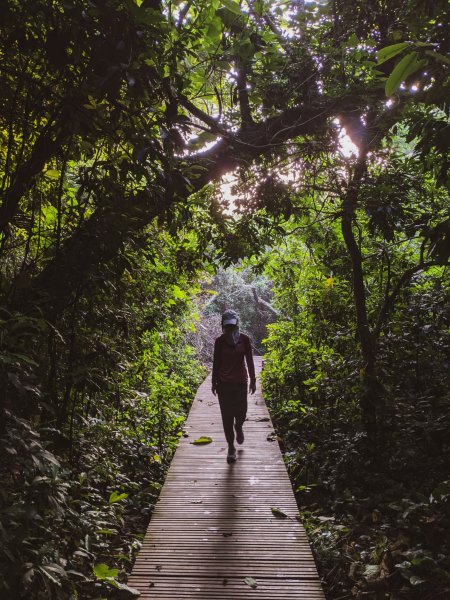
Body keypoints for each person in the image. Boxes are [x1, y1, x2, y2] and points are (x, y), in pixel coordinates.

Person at [212, 310, 256, 463]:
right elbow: (216, 362)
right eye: (227, 327)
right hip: (224, 384)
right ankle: (231, 447)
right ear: (223, 326)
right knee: (227, 417)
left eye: (232, 326)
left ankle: (239, 426)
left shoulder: (244, 339)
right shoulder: (219, 341)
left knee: (242, 412)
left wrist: (253, 380)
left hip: (241, 382)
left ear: (237, 324)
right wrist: (213, 382)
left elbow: (250, 361)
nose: (230, 329)